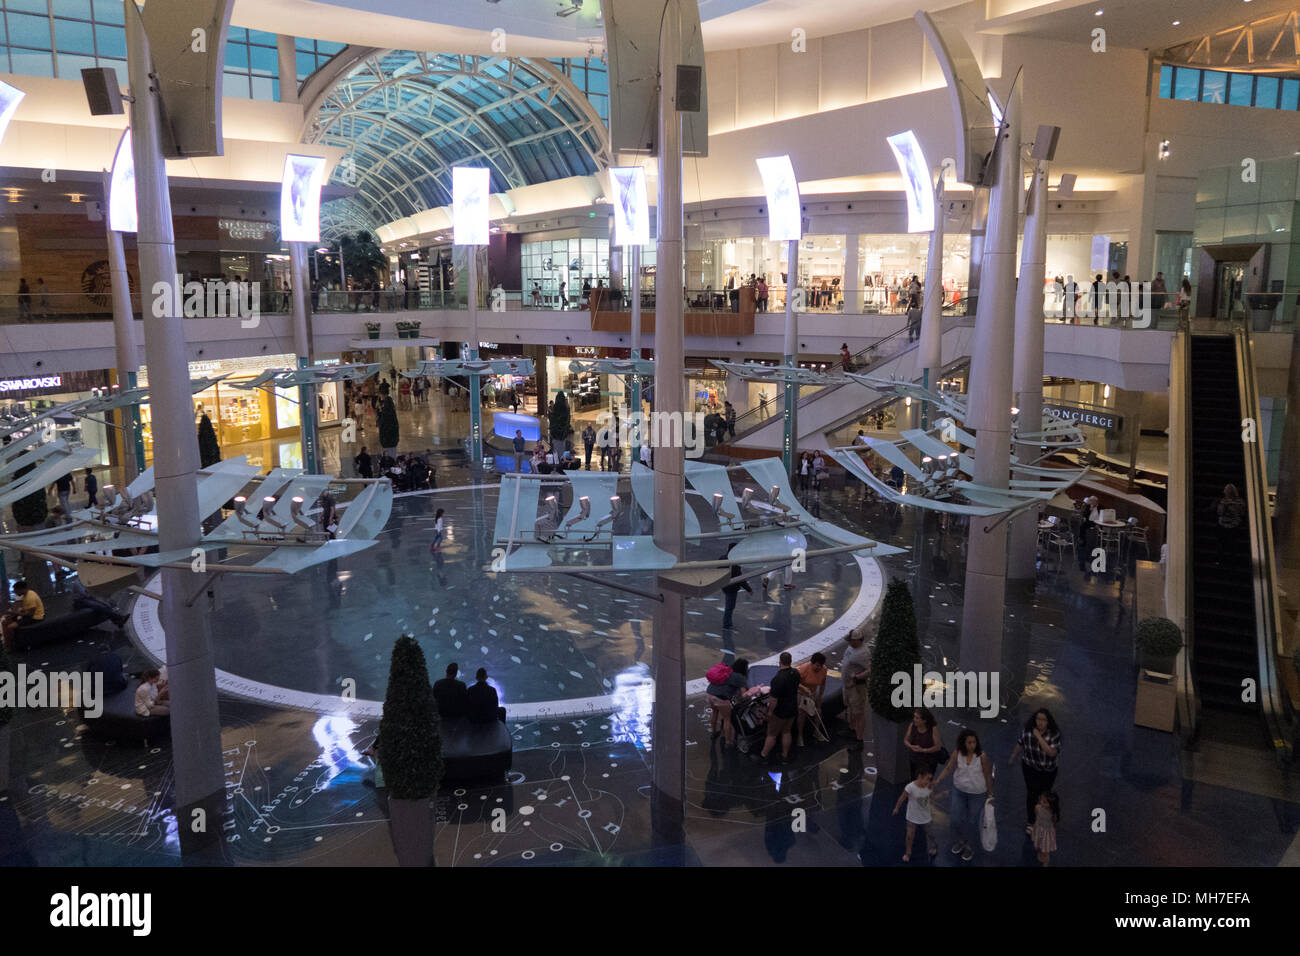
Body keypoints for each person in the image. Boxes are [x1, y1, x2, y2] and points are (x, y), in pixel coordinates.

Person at [932, 728, 994, 862]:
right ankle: (960, 840)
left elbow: (987, 775)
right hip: (959, 791)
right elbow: (949, 768)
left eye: (974, 742)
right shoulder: (957, 753)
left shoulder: (982, 756)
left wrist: (990, 793)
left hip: (977, 794)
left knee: (972, 822)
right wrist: (938, 780)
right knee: (955, 818)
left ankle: (969, 846)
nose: (972, 745)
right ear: (963, 743)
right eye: (969, 742)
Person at [1009, 707, 1061, 832]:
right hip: (1030, 767)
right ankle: (1031, 821)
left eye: (1043, 720)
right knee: (1032, 794)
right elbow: (1020, 743)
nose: (1040, 722)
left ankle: (1045, 819)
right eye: (1038, 719)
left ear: (1048, 722)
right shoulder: (1027, 731)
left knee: (1045, 795)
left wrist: (1038, 736)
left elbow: (1051, 753)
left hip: (1048, 771)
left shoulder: (1054, 734)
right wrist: (1013, 756)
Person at [760, 652, 801, 762]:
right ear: (790, 661)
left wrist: (769, 712)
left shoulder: (778, 678)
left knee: (772, 734)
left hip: (780, 711)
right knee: (786, 732)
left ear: (780, 662)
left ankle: (763, 755)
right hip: (792, 708)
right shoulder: (796, 673)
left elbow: (773, 699)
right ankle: (784, 755)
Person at [893, 766, 936, 862]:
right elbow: (902, 798)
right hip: (912, 816)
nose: (928, 782)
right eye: (926, 779)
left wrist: (932, 790)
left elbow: (932, 799)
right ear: (920, 776)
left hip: (925, 817)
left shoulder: (928, 787)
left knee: (930, 834)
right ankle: (908, 853)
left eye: (930, 779)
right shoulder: (910, 787)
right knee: (909, 836)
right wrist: (897, 808)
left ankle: (933, 845)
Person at [706, 657, 752, 747]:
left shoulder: (728, 671)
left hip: (709, 694)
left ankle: (714, 732)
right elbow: (744, 694)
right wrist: (753, 692)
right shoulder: (740, 677)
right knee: (727, 718)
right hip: (720, 698)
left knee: (715, 712)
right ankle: (728, 742)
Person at [840, 629, 872, 745]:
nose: (849, 642)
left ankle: (859, 738)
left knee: (859, 712)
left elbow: (870, 670)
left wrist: (857, 677)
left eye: (851, 640)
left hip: (857, 688)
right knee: (851, 709)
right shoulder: (851, 647)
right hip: (848, 685)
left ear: (858, 640)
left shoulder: (863, 653)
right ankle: (852, 728)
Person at [795, 652, 828, 746]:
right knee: (802, 713)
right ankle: (800, 735)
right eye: (817, 665)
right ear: (812, 663)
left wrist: (820, 697)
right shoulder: (803, 669)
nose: (819, 668)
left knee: (819, 711)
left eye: (820, 666)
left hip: (813, 693)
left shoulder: (824, 669)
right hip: (800, 693)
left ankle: (816, 731)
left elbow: (823, 684)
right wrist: (803, 688)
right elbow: (795, 682)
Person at [2, 580, 45, 650]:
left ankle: (11, 647)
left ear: (21, 589)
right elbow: (26, 608)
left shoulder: (30, 598)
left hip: (36, 618)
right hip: (32, 615)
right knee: (10, 619)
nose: (15, 592)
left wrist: (15, 613)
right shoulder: (28, 593)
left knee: (10, 627)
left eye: (15, 590)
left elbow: (30, 615)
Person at [904, 706, 944, 778]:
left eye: (917, 718)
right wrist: (911, 746)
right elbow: (906, 740)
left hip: (928, 762)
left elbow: (938, 747)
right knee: (914, 779)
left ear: (924, 720)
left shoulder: (932, 729)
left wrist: (923, 750)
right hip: (914, 759)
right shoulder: (912, 726)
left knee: (925, 782)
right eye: (914, 717)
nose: (914, 719)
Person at [720, 541, 751, 628]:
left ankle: (727, 623)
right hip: (732, 587)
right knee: (730, 606)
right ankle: (727, 624)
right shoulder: (735, 562)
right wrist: (748, 589)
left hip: (724, 585)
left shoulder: (722, 558)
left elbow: (717, 570)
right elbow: (739, 577)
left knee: (729, 605)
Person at [1214, 483, 1247, 558]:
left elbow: (1220, 513)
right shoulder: (1238, 502)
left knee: (1227, 543)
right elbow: (1242, 513)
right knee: (1228, 543)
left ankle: (1226, 558)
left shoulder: (1226, 502)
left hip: (1228, 525)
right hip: (1229, 525)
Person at [1032, 791, 1059, 866]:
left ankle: (1046, 862)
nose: (1041, 802)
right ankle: (1042, 852)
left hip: (1045, 831)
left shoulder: (1039, 808)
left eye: (1044, 802)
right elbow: (1054, 823)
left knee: (1045, 848)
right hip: (1042, 829)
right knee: (1041, 843)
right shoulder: (1039, 808)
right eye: (1041, 800)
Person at [376, 382, 398, 457]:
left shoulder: (387, 404)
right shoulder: (387, 403)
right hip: (389, 436)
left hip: (388, 436)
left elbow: (385, 418)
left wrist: (379, 412)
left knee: (389, 455)